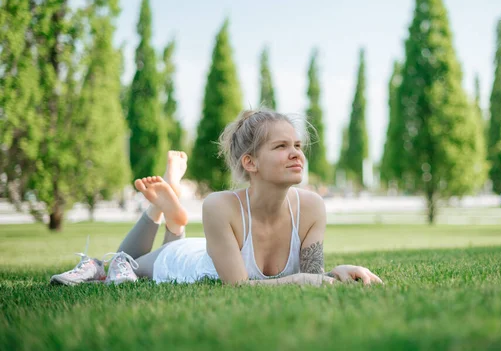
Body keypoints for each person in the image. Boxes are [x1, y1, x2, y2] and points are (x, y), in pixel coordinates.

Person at [50, 109, 383, 287]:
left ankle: (171, 215)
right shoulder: (219, 205)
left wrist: (339, 271)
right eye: (281, 146)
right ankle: (162, 211)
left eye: (297, 145)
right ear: (249, 162)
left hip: (213, 250)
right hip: (185, 259)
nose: (296, 154)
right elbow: (238, 287)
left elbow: (314, 277)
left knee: (129, 263)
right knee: (120, 266)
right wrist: (302, 281)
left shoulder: (312, 207)